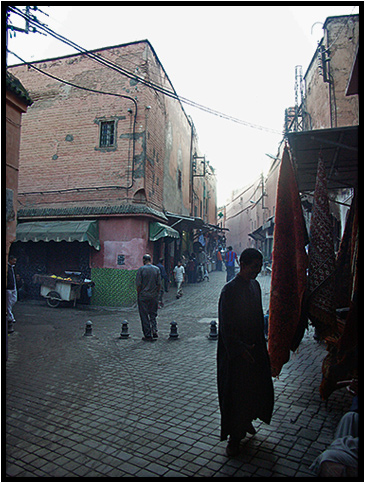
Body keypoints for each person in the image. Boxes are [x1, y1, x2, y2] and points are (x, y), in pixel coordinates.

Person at [217, 248, 274, 457]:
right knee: (236, 395)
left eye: (259, 267)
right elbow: (226, 326)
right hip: (235, 355)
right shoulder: (229, 290)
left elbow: (258, 317)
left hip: (254, 350)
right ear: (242, 264)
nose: (257, 271)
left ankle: (247, 420)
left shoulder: (255, 286)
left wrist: (262, 343)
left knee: (254, 389)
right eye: (254, 267)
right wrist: (239, 349)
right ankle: (234, 438)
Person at [135, 254, 161, 341]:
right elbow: (159, 284)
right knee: (153, 314)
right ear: (150, 259)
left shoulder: (141, 270)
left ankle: (147, 334)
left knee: (144, 315)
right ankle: (154, 329)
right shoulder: (156, 269)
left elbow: (138, 284)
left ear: (143, 260)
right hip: (153, 295)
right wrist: (156, 293)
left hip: (143, 295)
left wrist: (139, 293)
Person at [7, 255, 18, 326]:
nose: (14, 262)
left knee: (13, 300)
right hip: (8, 287)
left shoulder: (13, 268)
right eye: (13, 261)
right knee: (8, 303)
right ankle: (10, 317)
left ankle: (9, 314)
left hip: (13, 286)